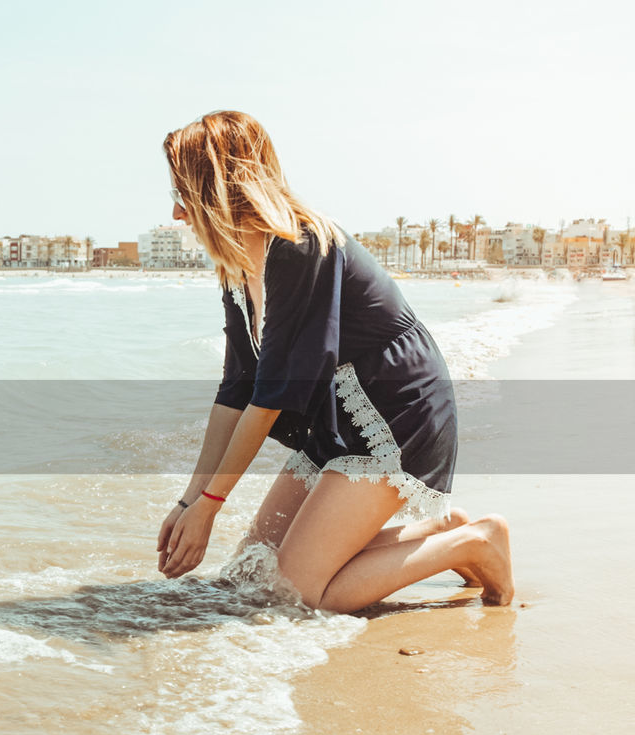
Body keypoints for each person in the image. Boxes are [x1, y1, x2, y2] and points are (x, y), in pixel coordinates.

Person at [154, 111, 513, 614]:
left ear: (218, 189)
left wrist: (212, 506)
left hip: (391, 416)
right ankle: (441, 528)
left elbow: (275, 392)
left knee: (299, 596)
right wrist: (190, 502)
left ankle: (476, 541)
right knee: (250, 575)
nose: (175, 212)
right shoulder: (238, 263)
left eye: (183, 193)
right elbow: (237, 387)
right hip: (334, 423)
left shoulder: (301, 246)